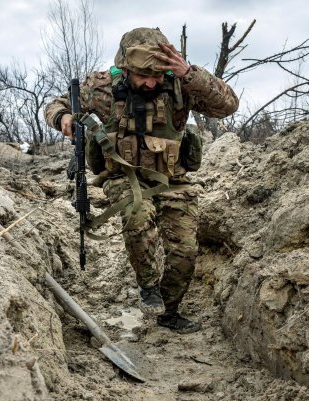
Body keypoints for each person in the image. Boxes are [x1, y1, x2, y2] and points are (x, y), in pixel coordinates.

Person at [45, 27, 238, 333]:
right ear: (125, 69)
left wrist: (190, 74)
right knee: (138, 214)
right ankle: (148, 286)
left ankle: (169, 310)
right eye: (143, 76)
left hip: (172, 180)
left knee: (185, 250)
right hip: (122, 176)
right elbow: (56, 105)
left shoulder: (181, 83)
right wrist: (63, 117)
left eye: (157, 75)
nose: (151, 82)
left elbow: (227, 105)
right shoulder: (103, 87)